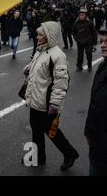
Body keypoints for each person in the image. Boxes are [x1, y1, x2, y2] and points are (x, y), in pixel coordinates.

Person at [23, 21, 79, 169]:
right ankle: (37, 157)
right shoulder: (40, 50)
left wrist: (54, 104)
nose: (37, 37)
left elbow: (61, 82)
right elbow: (39, 70)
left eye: (40, 34)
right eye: (37, 34)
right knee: (36, 130)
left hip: (47, 102)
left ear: (49, 36)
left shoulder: (58, 55)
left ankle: (70, 153)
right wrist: (29, 69)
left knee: (51, 131)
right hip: (35, 99)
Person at [84, 28, 107, 176]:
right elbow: (94, 103)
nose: (103, 45)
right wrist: (88, 131)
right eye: (102, 42)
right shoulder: (102, 66)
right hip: (97, 142)